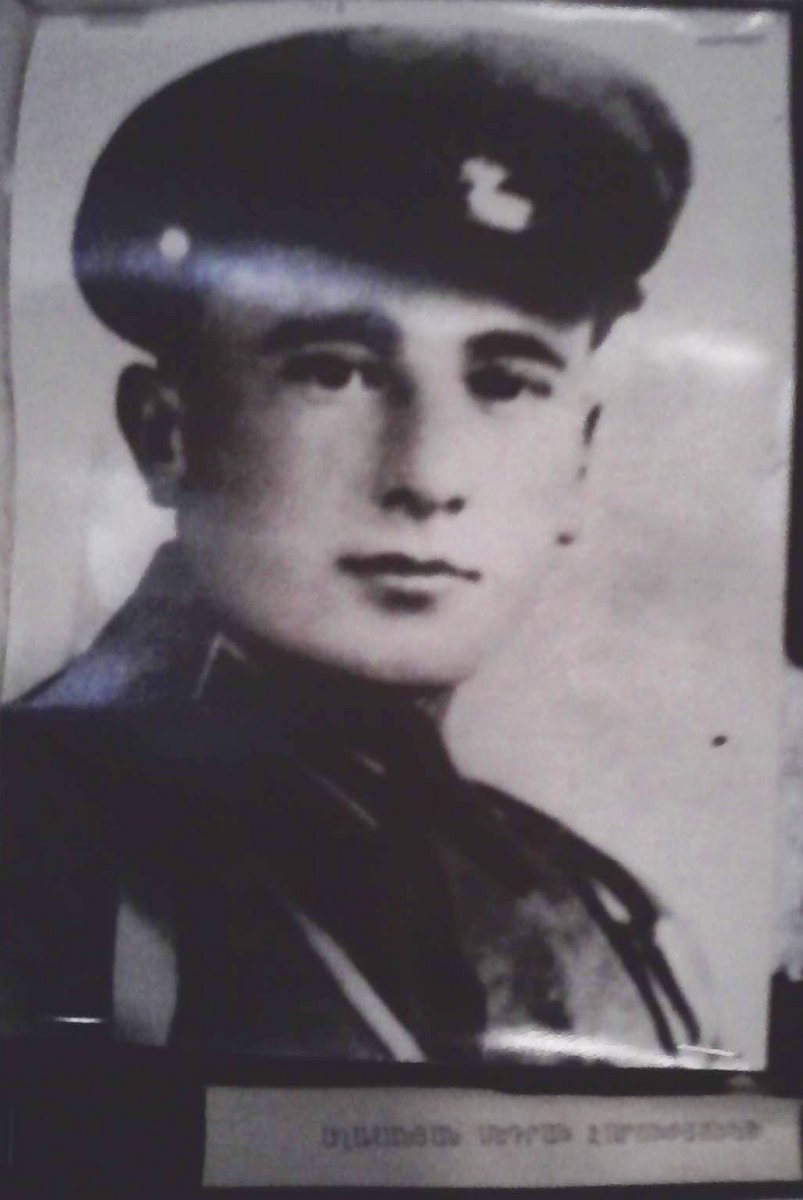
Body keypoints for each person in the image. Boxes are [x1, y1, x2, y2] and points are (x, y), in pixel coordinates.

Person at [0, 26, 717, 1065]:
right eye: (334, 370)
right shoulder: (34, 844)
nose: (425, 477)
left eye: (504, 382)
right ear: (165, 434)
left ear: (578, 460)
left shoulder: (612, 928)